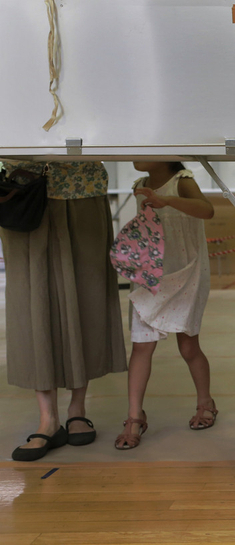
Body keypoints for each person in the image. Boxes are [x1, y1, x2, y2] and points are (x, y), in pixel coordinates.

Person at [0, 160, 127, 461]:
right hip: (23, 190)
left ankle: (77, 409)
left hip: (81, 189)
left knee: (87, 297)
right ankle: (48, 419)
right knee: (31, 303)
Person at [114, 162, 217, 450]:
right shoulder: (140, 184)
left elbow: (207, 210)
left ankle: (205, 402)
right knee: (141, 346)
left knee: (188, 346)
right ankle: (135, 417)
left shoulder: (182, 180)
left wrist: (167, 201)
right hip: (150, 275)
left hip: (186, 273)